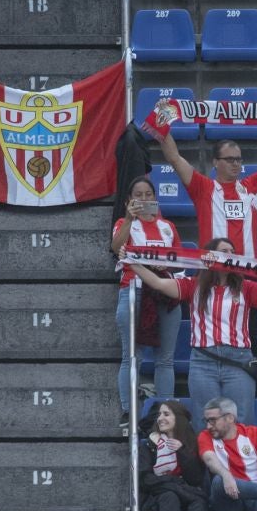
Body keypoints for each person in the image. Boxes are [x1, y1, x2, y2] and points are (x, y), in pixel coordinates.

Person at [130, 238, 257, 425]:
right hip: (203, 361)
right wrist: (132, 262)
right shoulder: (193, 285)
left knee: (241, 420)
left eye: (232, 251)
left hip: (238, 360)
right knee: (205, 420)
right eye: (224, 251)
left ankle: (239, 455)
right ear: (209, 256)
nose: (229, 254)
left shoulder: (247, 287)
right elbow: (158, 283)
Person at [155, 111, 257, 258]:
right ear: (215, 162)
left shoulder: (252, 186)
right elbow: (174, 158)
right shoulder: (202, 188)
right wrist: (162, 121)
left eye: (238, 159)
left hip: (248, 277)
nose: (235, 164)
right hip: (214, 274)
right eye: (230, 159)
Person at [112, 176, 181, 430]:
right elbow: (115, 246)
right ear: (129, 200)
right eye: (138, 195)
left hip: (165, 292)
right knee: (132, 356)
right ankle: (129, 412)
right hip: (134, 291)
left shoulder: (167, 227)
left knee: (166, 359)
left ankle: (166, 412)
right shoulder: (123, 223)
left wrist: (169, 264)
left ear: (155, 197)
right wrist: (129, 220)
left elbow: (181, 259)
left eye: (148, 194)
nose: (143, 199)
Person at [138, 400, 208, 511]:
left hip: (187, 495)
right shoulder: (150, 445)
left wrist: (182, 451)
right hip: (157, 498)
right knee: (169, 495)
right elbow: (144, 479)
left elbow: (196, 479)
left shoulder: (191, 443)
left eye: (166, 414)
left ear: (179, 419)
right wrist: (174, 482)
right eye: (159, 414)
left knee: (199, 501)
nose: (160, 418)